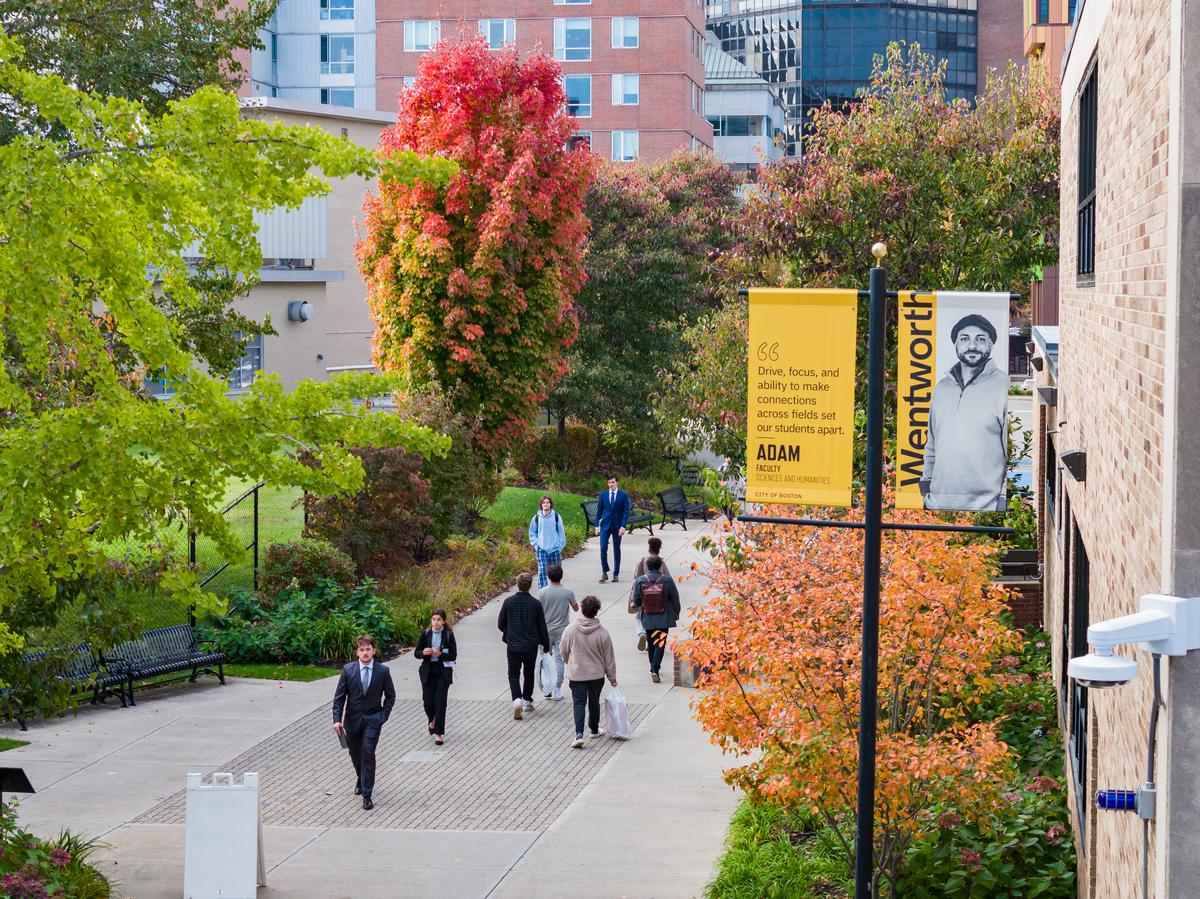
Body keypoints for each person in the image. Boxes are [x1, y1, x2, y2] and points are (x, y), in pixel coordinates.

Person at [921, 314, 1009, 512]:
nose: (972, 345)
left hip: (985, 509)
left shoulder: (1004, 386)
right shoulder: (942, 388)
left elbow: (1010, 453)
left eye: (980, 339)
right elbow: (932, 443)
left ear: (991, 345)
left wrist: (1001, 502)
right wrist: (926, 489)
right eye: (964, 338)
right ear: (956, 345)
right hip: (937, 505)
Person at [332, 634, 396, 810]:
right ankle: (361, 777)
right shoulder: (348, 670)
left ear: (374, 651)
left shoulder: (382, 671)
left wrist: (383, 716)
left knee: (368, 752)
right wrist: (336, 720)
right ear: (357, 652)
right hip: (352, 721)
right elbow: (339, 697)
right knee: (355, 754)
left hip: (373, 720)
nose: (365, 652)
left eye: (368, 649)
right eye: (362, 650)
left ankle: (367, 794)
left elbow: (391, 696)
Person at [559, 595, 617, 748]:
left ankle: (579, 734)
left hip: (577, 674)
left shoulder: (570, 630)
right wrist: (612, 676)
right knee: (594, 701)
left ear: (582, 609)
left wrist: (568, 661)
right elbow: (608, 657)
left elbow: (563, 650)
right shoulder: (603, 633)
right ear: (596, 611)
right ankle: (594, 729)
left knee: (578, 703)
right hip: (596, 674)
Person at [497, 572, 551, 719]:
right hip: (530, 645)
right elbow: (542, 627)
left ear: (517, 584)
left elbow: (500, 624)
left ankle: (516, 699)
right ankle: (527, 700)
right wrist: (546, 647)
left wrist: (509, 632)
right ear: (530, 585)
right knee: (528, 673)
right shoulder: (536, 604)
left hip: (513, 644)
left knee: (513, 674)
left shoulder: (508, 602)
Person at [630, 556, 681, 683]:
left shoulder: (641, 580)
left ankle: (652, 667)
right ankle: (655, 669)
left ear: (647, 566)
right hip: (664, 617)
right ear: (660, 566)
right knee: (660, 643)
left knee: (651, 642)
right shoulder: (667, 580)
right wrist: (676, 612)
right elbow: (675, 598)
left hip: (647, 616)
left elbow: (636, 600)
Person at [413, 609, 457, 745]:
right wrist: (423, 653)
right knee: (428, 702)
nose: (435, 622)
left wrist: (441, 655)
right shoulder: (426, 634)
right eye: (433, 619)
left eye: (438, 619)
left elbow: (453, 655)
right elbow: (416, 652)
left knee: (440, 703)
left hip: (442, 673)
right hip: (428, 671)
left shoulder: (449, 635)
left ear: (443, 621)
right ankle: (431, 720)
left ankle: (438, 733)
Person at [538, 563, 579, 701]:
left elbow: (538, 610)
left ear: (548, 577)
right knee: (559, 659)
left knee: (545, 659)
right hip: (562, 630)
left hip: (545, 630)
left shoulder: (542, 592)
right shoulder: (567, 592)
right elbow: (576, 608)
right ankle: (557, 689)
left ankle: (546, 688)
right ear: (561, 576)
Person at [629, 537, 672, 652]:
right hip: (658, 596)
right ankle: (651, 643)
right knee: (656, 619)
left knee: (639, 617)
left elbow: (636, 577)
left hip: (643, 594)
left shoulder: (643, 560)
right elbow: (668, 577)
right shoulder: (661, 562)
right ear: (659, 549)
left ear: (649, 548)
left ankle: (642, 634)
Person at [596, 475, 631, 583]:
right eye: (609, 482)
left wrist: (623, 527)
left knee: (616, 549)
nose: (611, 484)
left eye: (613, 482)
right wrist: (597, 526)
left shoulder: (623, 495)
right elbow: (599, 511)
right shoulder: (603, 495)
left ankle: (616, 573)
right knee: (602, 548)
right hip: (605, 525)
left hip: (617, 526)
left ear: (617, 483)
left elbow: (626, 512)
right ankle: (604, 572)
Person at [528, 495, 567, 589]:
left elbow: (561, 533)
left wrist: (560, 547)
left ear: (550, 504)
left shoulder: (556, 517)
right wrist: (536, 545)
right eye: (544, 503)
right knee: (542, 571)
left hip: (554, 549)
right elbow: (532, 533)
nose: (546, 504)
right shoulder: (536, 518)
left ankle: (556, 590)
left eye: (547, 502)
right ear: (541, 505)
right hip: (541, 549)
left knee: (556, 572)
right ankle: (542, 592)